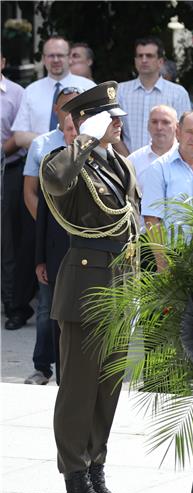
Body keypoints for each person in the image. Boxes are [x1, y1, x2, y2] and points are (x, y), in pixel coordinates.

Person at [41, 81, 141, 493]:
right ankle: (74, 488)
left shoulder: (114, 163)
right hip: (85, 288)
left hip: (119, 286)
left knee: (107, 390)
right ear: (84, 121)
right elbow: (58, 181)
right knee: (79, 391)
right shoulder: (65, 162)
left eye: (117, 117)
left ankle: (95, 473)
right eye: (109, 117)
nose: (118, 122)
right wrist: (81, 135)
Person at [21, 87, 82, 386]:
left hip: (85, 251)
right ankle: (43, 367)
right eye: (66, 109)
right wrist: (41, 256)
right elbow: (34, 199)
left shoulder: (94, 157)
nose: (72, 125)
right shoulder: (47, 152)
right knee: (49, 309)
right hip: (56, 247)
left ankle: (75, 373)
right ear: (56, 110)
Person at [33, 113, 79, 388]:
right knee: (55, 318)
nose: (74, 133)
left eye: (78, 128)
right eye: (70, 129)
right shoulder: (53, 164)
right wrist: (39, 258)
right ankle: (60, 377)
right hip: (56, 254)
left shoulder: (96, 164)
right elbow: (42, 217)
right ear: (62, 132)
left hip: (86, 256)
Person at [12, 36, 95, 149]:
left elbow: (100, 127)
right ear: (43, 58)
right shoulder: (31, 91)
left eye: (60, 55)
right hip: (40, 161)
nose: (56, 60)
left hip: (81, 160)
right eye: (51, 55)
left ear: (69, 57)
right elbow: (19, 136)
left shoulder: (89, 87)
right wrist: (52, 143)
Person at [117, 36, 192, 154]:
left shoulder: (178, 93)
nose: (144, 60)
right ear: (135, 60)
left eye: (149, 56)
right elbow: (111, 130)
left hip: (166, 165)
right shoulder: (120, 91)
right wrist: (128, 162)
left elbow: (184, 132)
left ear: (160, 61)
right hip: (128, 165)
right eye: (140, 56)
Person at [1, 54, 29, 331]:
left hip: (7, 170)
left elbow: (19, 133)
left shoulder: (17, 93)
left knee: (7, 238)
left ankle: (10, 302)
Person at [126, 105, 178, 176]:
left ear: (177, 126)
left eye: (165, 122)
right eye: (154, 122)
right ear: (148, 125)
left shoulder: (189, 158)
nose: (159, 127)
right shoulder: (133, 161)